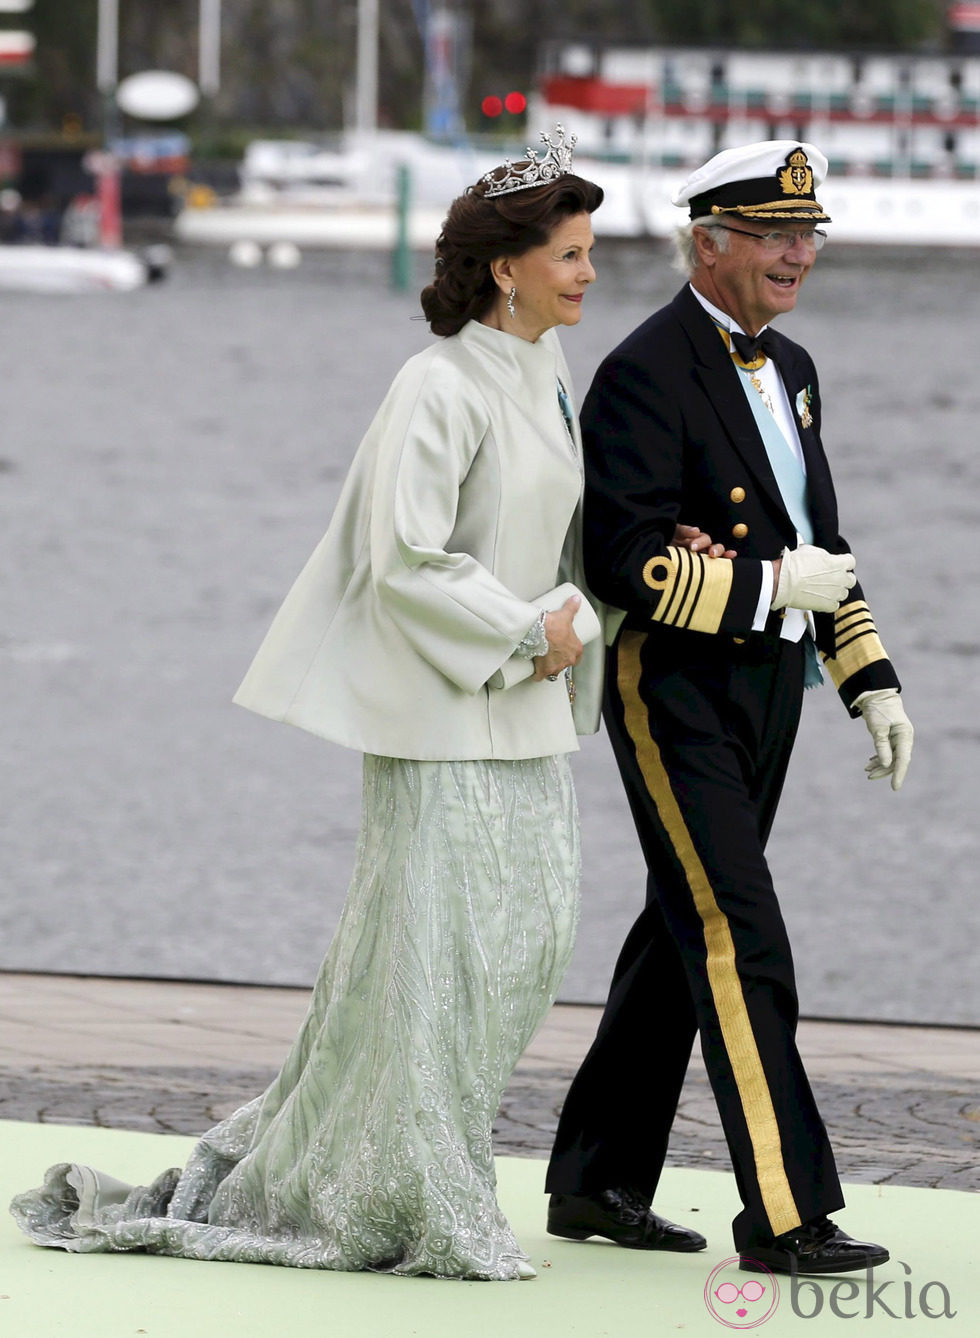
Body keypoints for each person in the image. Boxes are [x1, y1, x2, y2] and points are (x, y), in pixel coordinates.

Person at [11, 128, 611, 1283]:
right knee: (432, 964)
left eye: (589, 253)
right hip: (443, 719)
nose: (589, 272)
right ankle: (413, 1195)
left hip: (529, 711)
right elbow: (404, 557)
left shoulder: (547, 372)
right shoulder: (434, 384)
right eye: (571, 254)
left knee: (523, 952)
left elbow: (562, 534)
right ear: (506, 267)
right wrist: (523, 631)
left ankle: (404, 1160)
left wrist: (589, 615)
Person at [544, 141, 914, 1277]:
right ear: (706, 243)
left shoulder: (791, 364)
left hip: (768, 688)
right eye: (771, 235)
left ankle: (596, 1181)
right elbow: (620, 562)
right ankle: (786, 1213)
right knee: (735, 933)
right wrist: (763, 587)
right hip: (674, 690)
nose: (796, 254)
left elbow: (822, 543)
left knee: (679, 926)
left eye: (807, 235)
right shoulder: (644, 369)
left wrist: (869, 678)